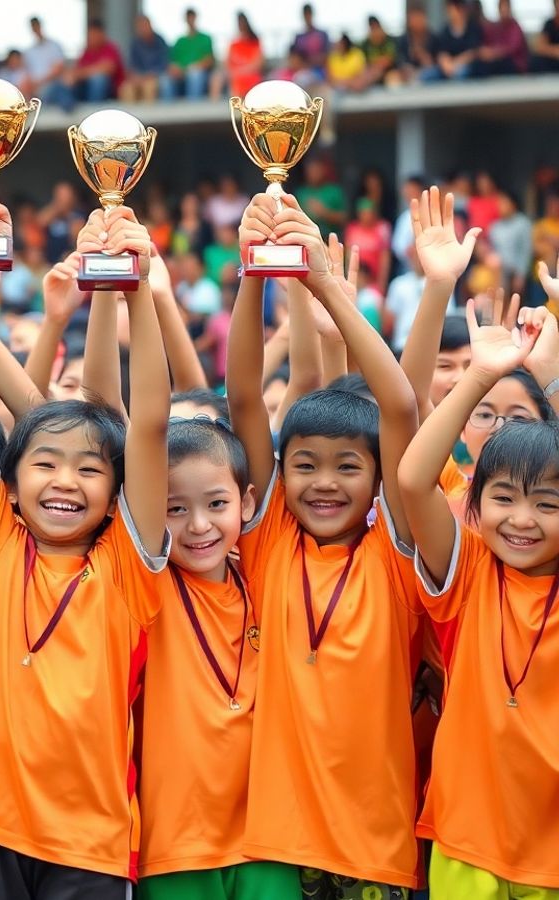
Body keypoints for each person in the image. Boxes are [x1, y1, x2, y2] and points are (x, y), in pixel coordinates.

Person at [0, 178, 172, 897]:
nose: (64, 481)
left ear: (116, 492)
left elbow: (152, 423)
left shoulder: (129, 567)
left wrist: (134, 292)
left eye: (89, 469)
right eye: (43, 463)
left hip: (91, 838)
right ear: (8, 485)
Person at [228, 194, 423, 897]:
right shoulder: (271, 536)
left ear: (379, 479)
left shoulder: (395, 555)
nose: (323, 483)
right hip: (277, 847)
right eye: (304, 464)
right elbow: (246, 397)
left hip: (375, 849)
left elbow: (398, 405)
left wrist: (327, 288)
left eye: (348, 466)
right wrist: (255, 273)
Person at [398, 299, 559, 897]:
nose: (523, 520)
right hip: (466, 838)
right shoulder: (467, 571)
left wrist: (548, 380)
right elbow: (414, 478)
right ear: (473, 505)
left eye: (548, 503)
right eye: (505, 500)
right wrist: (479, 376)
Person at [136, 419, 300, 898]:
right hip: (175, 844)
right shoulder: (147, 585)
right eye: (175, 509)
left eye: (217, 504)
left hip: (267, 839)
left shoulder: (263, 579)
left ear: (246, 502)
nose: (199, 525)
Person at [421, 0, 483, 81]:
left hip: (466, 66)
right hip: (447, 68)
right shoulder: (445, 31)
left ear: (461, 10)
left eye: (452, 9)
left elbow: (473, 52)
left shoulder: (473, 29)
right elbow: (442, 52)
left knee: (461, 73)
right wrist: (446, 65)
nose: (450, 13)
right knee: (427, 75)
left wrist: (455, 64)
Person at [164, 7, 215, 100]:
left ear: (196, 18)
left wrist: (194, 67)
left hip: (199, 74)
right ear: (185, 19)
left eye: (192, 17)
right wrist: (176, 69)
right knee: (165, 80)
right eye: (188, 17)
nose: (190, 20)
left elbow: (210, 60)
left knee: (194, 75)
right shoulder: (180, 41)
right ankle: (167, 112)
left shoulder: (205, 38)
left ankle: (193, 111)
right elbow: (172, 62)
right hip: (181, 75)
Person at [489, 189, 533, 295]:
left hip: (516, 272)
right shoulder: (495, 226)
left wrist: (520, 275)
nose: (500, 206)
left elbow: (526, 251)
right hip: (498, 272)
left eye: (504, 202)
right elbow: (492, 250)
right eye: (499, 203)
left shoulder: (523, 223)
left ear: (513, 204)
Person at [345, 198, 393, 292]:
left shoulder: (382, 228)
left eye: (369, 212)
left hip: (373, 282)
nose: (366, 216)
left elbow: (385, 259)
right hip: (356, 279)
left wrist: (381, 286)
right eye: (363, 212)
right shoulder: (352, 229)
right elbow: (348, 256)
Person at [212, 12, 263, 99]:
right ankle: (213, 103)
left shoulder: (255, 42)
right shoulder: (234, 43)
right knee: (217, 78)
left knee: (239, 79)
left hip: (249, 73)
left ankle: (238, 107)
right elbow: (226, 62)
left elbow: (258, 63)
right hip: (233, 72)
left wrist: (240, 71)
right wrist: (232, 71)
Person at [120, 13, 169, 103]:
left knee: (149, 87)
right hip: (140, 78)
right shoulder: (135, 43)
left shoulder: (160, 41)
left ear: (150, 25)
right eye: (140, 26)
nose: (143, 29)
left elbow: (164, 64)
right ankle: (130, 116)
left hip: (155, 77)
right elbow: (132, 66)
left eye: (144, 25)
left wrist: (150, 75)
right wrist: (137, 77)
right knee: (126, 89)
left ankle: (149, 116)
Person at [473, 0, 528, 76]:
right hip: (497, 61)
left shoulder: (514, 26)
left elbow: (512, 48)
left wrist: (494, 53)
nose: (504, 10)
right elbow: (488, 44)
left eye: (506, 7)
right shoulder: (495, 27)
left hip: (513, 63)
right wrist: (486, 51)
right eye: (502, 7)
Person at [22, 16, 67, 101]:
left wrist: (39, 82)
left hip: (52, 84)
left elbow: (58, 69)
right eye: (33, 26)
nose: (36, 29)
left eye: (37, 26)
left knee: (55, 89)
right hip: (35, 88)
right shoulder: (29, 51)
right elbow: (26, 73)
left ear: (40, 26)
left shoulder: (53, 46)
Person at [398, 3, 440, 81]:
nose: (416, 22)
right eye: (413, 18)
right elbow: (400, 61)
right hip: (408, 76)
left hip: (429, 77)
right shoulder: (404, 40)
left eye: (419, 17)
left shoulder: (434, 38)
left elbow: (436, 65)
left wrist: (421, 54)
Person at [361, 16, 401, 87]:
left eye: (377, 28)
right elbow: (365, 63)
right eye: (373, 28)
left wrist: (378, 65)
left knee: (393, 79)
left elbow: (388, 60)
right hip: (372, 73)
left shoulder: (389, 40)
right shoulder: (366, 44)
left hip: (389, 72)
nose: (376, 32)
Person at [292, 3, 331, 76]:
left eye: (308, 14)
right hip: (303, 71)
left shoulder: (322, 35)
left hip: (320, 73)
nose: (307, 17)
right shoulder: (299, 38)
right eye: (305, 14)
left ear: (312, 15)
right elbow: (295, 59)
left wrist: (308, 61)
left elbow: (325, 57)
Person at [531, 0, 559, 72]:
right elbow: (539, 47)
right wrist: (555, 51)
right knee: (535, 61)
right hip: (552, 59)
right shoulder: (549, 24)